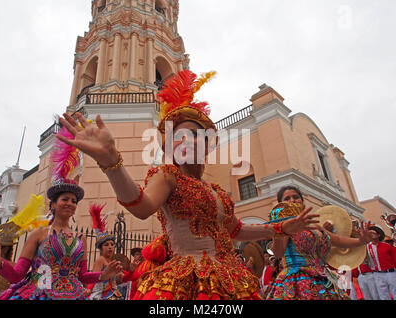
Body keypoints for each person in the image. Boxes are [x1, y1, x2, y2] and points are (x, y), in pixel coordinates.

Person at [57, 70, 320, 300]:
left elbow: (236, 230)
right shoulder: (167, 176)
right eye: (179, 136)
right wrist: (111, 162)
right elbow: (141, 206)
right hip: (183, 282)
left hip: (231, 280)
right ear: (171, 147)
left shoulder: (217, 192)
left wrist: (281, 227)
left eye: (196, 135)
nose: (188, 141)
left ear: (207, 144)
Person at [0, 127, 122, 300]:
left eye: (74, 201)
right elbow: (18, 274)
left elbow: (83, 276)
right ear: (53, 205)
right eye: (65, 199)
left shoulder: (80, 239)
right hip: (40, 294)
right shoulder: (38, 235)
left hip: (74, 295)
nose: (70, 203)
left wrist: (103, 275)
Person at [266, 185, 375, 300]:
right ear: (281, 205)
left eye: (296, 197)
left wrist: (361, 240)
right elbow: (278, 254)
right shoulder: (286, 227)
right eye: (287, 199)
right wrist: (278, 229)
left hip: (322, 279)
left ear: (302, 202)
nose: (292, 200)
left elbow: (338, 240)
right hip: (296, 281)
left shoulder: (315, 226)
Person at [86, 203, 123, 300]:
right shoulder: (101, 260)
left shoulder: (112, 261)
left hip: (113, 293)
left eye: (112, 244)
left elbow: (117, 281)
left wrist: (121, 275)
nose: (110, 247)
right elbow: (94, 277)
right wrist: (89, 289)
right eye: (106, 245)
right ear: (101, 248)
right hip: (101, 295)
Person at [366, 225, 396, 300]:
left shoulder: (387, 246)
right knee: (383, 295)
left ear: (378, 235)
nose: (371, 234)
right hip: (377, 274)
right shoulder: (366, 248)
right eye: (369, 233)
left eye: (373, 232)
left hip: (390, 273)